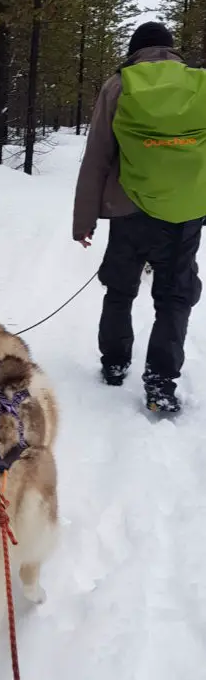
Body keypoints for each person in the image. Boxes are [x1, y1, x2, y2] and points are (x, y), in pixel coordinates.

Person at [72, 21, 206, 414]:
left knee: (120, 288)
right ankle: (161, 383)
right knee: (174, 297)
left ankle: (114, 364)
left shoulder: (119, 85)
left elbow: (97, 156)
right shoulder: (199, 85)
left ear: (135, 50)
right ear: (171, 49)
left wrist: (84, 220)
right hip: (185, 214)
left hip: (129, 208)